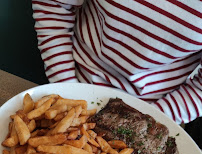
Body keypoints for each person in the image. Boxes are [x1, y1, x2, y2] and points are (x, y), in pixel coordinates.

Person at [32, 0, 202, 125]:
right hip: (67, 80)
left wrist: (147, 124)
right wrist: (67, 92)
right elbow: (54, 6)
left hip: (157, 112)